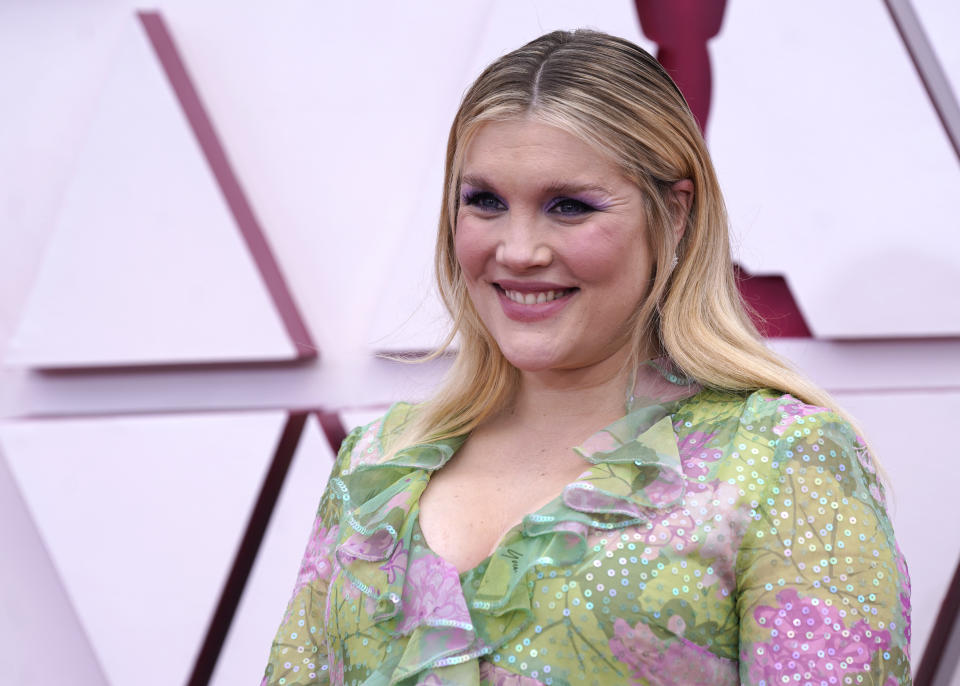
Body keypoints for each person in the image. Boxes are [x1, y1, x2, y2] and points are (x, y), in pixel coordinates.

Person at [262, 29, 911, 686]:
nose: (518, 250)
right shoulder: (376, 466)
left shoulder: (780, 462)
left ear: (674, 215)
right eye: (484, 201)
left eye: (567, 207)